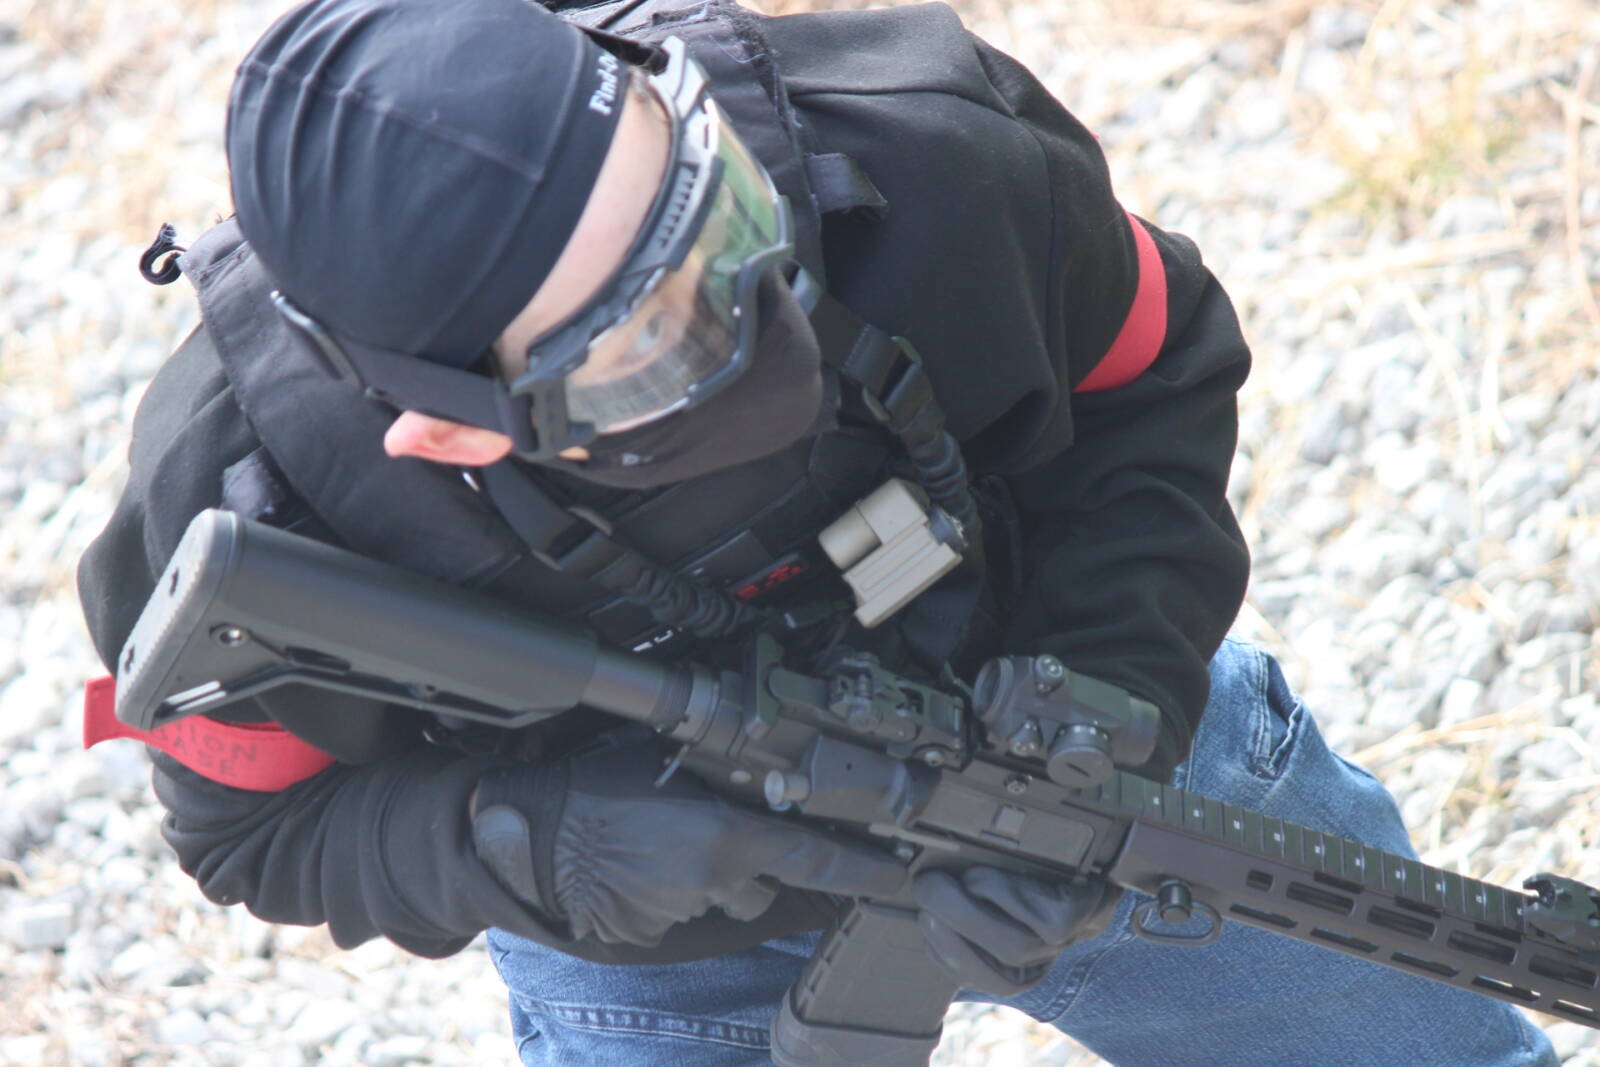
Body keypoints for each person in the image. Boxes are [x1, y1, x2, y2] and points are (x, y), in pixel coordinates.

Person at [77, 0, 1559, 1063]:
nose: (754, 310)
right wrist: (544, 843)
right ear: (452, 430)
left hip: (1097, 768)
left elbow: (1156, 373)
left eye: (718, 210)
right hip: (659, 947)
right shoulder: (251, 509)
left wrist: (1117, 684)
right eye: (649, 337)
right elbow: (255, 833)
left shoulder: (916, 151)